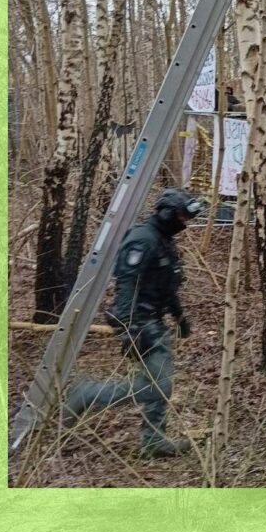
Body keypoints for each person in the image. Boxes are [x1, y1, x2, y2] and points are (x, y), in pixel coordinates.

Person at [61, 189, 202, 457]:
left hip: (154, 319)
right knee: (158, 386)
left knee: (159, 383)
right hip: (140, 321)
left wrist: (180, 316)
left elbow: (167, 285)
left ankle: (153, 440)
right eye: (182, 217)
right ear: (167, 214)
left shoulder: (162, 240)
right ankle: (88, 394)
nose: (185, 224)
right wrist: (129, 326)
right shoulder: (142, 239)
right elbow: (126, 284)